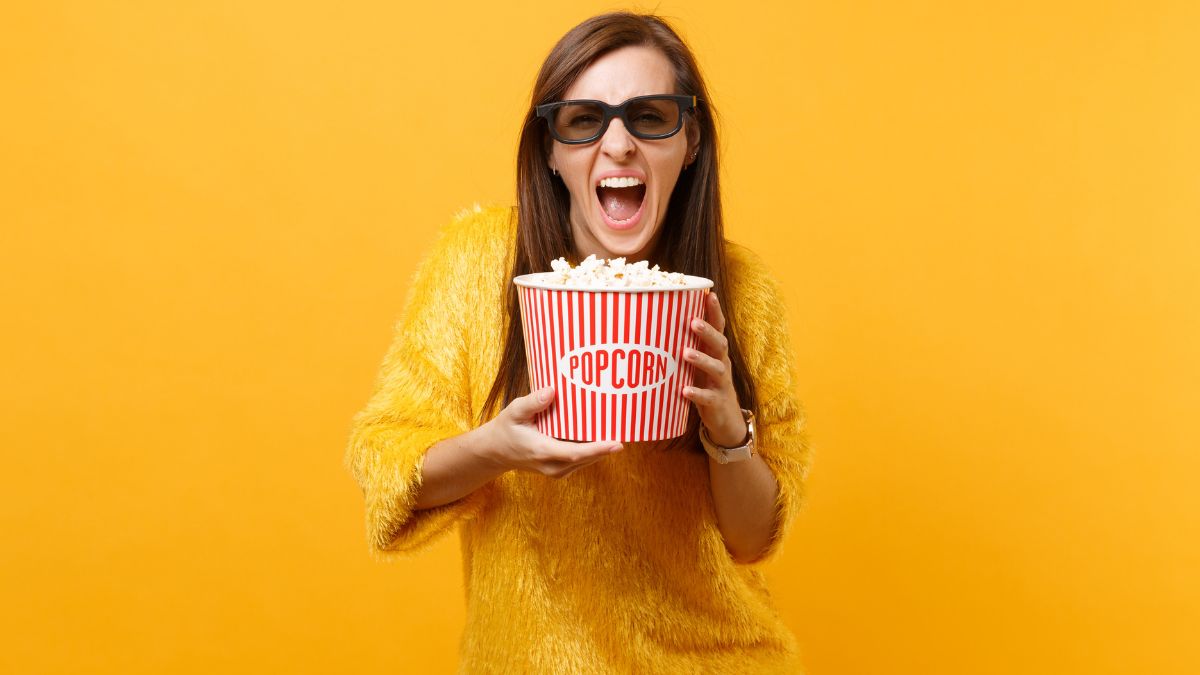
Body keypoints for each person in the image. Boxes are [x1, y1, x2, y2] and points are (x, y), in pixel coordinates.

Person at [344, 11, 813, 673]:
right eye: (584, 119)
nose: (618, 144)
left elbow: (752, 539)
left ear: (692, 140)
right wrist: (494, 448)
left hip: (717, 656)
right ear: (552, 152)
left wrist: (728, 431)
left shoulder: (741, 289)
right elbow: (389, 465)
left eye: (650, 116)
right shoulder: (477, 264)